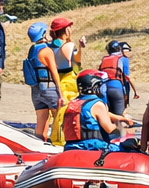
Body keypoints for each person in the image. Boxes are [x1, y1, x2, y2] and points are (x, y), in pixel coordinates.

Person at [61, 69, 137, 151]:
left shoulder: (74, 103)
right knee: (130, 144)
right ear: (94, 86)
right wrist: (122, 129)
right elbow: (110, 129)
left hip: (70, 146)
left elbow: (97, 114)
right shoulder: (97, 104)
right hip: (92, 146)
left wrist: (122, 119)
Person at [23, 22, 65, 141]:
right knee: (59, 117)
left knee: (41, 120)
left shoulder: (32, 50)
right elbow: (54, 73)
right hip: (49, 89)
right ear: (43, 34)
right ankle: (59, 142)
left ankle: (38, 143)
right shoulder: (46, 51)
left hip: (36, 91)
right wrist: (60, 94)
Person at [47, 16, 84, 147]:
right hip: (69, 81)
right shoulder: (68, 45)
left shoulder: (49, 46)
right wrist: (79, 47)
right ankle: (65, 138)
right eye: (69, 27)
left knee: (58, 113)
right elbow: (76, 62)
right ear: (65, 30)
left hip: (57, 80)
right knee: (68, 112)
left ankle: (56, 138)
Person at [98, 40, 134, 116]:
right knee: (119, 118)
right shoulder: (123, 59)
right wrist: (129, 94)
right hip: (116, 88)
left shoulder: (104, 59)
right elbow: (127, 78)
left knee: (109, 116)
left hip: (104, 89)